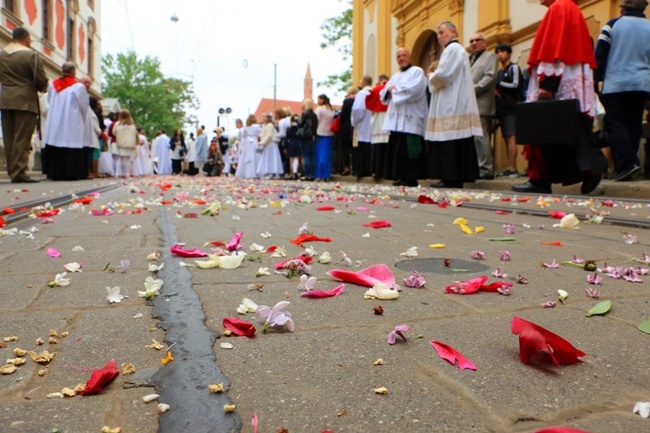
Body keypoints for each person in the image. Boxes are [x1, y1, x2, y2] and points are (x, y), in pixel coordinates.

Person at [513, 0, 606, 195]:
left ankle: (543, 179)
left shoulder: (560, 7)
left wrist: (547, 83)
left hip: (559, 81)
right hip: (568, 77)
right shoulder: (570, 7)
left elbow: (553, 48)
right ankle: (579, 171)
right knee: (569, 127)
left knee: (545, 128)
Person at [595, 0, 650, 181]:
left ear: (623, 7)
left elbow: (600, 54)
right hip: (642, 84)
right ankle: (625, 168)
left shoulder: (613, 25)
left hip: (617, 83)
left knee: (614, 122)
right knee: (633, 123)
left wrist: (597, 80)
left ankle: (628, 164)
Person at [425, 21, 483, 188]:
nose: (439, 36)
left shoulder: (453, 49)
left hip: (452, 102)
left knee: (450, 139)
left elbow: (443, 75)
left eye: (441, 32)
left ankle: (450, 177)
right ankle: (452, 177)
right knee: (454, 140)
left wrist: (430, 76)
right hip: (452, 99)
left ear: (452, 33)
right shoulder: (456, 50)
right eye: (437, 33)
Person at [0, 27, 49, 183]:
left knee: (9, 137)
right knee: (22, 137)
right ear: (27, 39)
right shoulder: (31, 56)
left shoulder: (1, 55)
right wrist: (43, 87)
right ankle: (19, 172)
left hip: (5, 99)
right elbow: (40, 80)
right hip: (25, 101)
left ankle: (12, 170)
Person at [380, 47, 428, 187]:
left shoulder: (417, 72)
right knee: (398, 149)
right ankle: (401, 176)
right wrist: (390, 90)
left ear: (410, 56)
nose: (401, 58)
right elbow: (384, 92)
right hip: (396, 120)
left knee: (411, 149)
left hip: (411, 118)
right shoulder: (395, 76)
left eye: (404, 55)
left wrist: (395, 90)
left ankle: (411, 177)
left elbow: (414, 90)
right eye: (398, 56)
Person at [43, 62, 89, 181]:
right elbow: (83, 105)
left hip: (55, 121)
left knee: (56, 142)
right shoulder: (78, 87)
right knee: (70, 143)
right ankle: (71, 173)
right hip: (71, 121)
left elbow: (49, 100)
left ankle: (55, 173)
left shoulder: (53, 85)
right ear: (73, 73)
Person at [469, 31, 497, 180]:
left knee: (481, 137)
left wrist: (471, 91)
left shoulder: (490, 56)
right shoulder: (470, 59)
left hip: (482, 102)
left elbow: (490, 77)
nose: (474, 43)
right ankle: (477, 166)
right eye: (471, 41)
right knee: (474, 138)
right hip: (470, 105)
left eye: (477, 40)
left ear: (484, 42)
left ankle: (486, 169)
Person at [495, 43, 523, 177]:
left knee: (511, 136)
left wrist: (499, 84)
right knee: (506, 137)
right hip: (502, 108)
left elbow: (516, 85)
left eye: (502, 52)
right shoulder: (499, 72)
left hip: (513, 107)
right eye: (498, 52)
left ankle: (513, 168)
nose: (500, 54)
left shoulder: (514, 68)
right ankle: (509, 166)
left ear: (509, 54)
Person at [366, 74, 390, 178]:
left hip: (377, 117)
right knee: (387, 144)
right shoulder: (389, 88)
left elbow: (368, 102)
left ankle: (376, 170)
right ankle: (386, 171)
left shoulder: (375, 89)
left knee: (377, 144)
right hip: (388, 117)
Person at [351, 76, 373, 179]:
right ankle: (370, 169)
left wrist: (354, 121)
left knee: (361, 147)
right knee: (370, 147)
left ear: (364, 82)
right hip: (372, 123)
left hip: (362, 123)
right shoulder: (374, 92)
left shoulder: (362, 94)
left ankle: (361, 169)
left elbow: (358, 109)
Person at [111, 109, 138, 178]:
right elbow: (135, 133)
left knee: (122, 158)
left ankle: (122, 173)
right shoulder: (132, 124)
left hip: (121, 143)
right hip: (130, 143)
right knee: (128, 159)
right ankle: (127, 173)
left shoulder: (118, 124)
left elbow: (113, 132)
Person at [314, 94, 335, 181]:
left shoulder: (320, 109)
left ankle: (319, 174)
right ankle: (326, 174)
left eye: (318, 99)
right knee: (327, 155)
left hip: (320, 132)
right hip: (330, 133)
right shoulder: (331, 109)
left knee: (319, 156)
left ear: (322, 100)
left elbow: (316, 120)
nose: (317, 101)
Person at [235, 114, 262, 179]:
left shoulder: (245, 127)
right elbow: (260, 134)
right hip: (254, 142)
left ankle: (246, 172)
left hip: (247, 143)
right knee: (256, 157)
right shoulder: (257, 126)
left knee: (246, 157)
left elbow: (243, 137)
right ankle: (256, 172)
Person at [257, 112, 284, 178]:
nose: (264, 119)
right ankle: (267, 171)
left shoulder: (270, 125)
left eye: (265, 117)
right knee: (267, 158)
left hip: (270, 143)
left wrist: (262, 142)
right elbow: (263, 134)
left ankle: (272, 172)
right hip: (267, 144)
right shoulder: (264, 125)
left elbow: (269, 135)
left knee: (271, 158)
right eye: (263, 117)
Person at [297, 98, 318, 180]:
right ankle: (312, 174)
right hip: (313, 137)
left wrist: (297, 120)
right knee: (312, 156)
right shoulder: (314, 115)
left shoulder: (305, 114)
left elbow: (300, 125)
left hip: (305, 137)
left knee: (306, 156)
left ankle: (307, 174)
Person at [338, 86, 356, 177]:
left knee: (345, 149)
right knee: (354, 149)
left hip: (345, 127)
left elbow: (343, 114)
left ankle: (347, 168)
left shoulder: (347, 101)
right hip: (355, 127)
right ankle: (355, 168)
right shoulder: (358, 99)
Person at [84, 96, 102, 179]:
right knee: (93, 156)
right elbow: (96, 127)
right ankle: (93, 172)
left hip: (85, 138)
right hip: (92, 138)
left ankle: (88, 172)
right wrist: (99, 131)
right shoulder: (93, 113)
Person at [276, 107, 292, 176]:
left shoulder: (282, 121)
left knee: (283, 156)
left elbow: (282, 133)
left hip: (284, 140)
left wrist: (275, 135)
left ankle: (283, 172)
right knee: (290, 157)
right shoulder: (290, 119)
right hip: (291, 139)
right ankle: (290, 171)